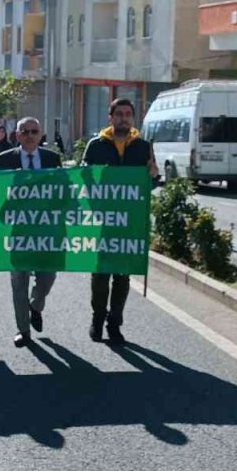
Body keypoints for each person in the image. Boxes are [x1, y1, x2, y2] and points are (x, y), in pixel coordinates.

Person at [81, 98, 159, 345]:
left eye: (128, 114)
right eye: (119, 114)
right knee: (101, 273)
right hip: (102, 221)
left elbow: (150, 183)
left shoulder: (143, 147)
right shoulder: (95, 146)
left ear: (133, 119)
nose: (124, 118)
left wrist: (154, 176)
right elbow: (84, 178)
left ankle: (115, 322)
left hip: (130, 222)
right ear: (110, 117)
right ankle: (97, 318)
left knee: (122, 275)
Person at [0, 117, 62, 348]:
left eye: (34, 131)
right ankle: (23, 330)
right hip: (17, 232)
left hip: (47, 233)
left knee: (48, 276)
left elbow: (62, 192)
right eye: (25, 131)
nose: (30, 135)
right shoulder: (5, 160)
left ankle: (36, 305)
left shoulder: (53, 159)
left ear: (41, 134)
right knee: (18, 282)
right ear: (17, 135)